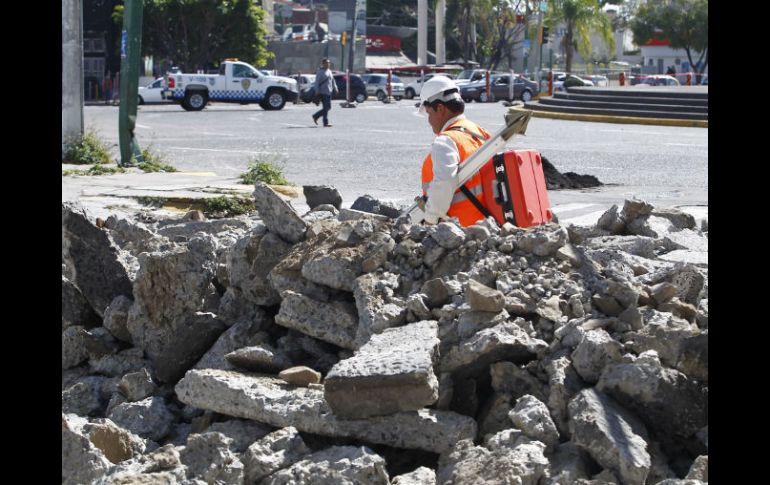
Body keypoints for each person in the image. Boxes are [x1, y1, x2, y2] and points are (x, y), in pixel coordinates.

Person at [417, 76, 492, 227]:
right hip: (488, 224)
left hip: (463, 230)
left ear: (440, 108)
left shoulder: (445, 141)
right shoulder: (477, 131)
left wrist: (430, 220)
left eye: (429, 113)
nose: (429, 120)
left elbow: (444, 183)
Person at [312, 59, 338, 127]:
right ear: (323, 64)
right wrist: (316, 91)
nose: (328, 64)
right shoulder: (320, 72)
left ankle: (316, 116)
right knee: (326, 107)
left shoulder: (329, 71)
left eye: (329, 63)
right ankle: (325, 122)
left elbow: (333, 80)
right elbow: (317, 82)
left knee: (328, 107)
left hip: (329, 91)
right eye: (326, 63)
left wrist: (335, 88)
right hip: (322, 92)